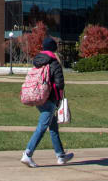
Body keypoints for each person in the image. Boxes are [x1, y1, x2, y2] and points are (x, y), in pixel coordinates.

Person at [20, 37, 72, 168]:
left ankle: (60, 155)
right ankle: (27, 154)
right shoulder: (54, 63)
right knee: (42, 127)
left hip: (38, 97)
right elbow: (60, 84)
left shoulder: (37, 61)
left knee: (53, 126)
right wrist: (58, 98)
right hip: (49, 99)